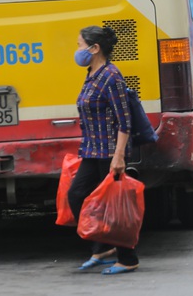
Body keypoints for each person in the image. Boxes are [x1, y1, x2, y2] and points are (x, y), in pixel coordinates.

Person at [67, 26, 139, 275]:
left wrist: (119, 156)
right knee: (77, 195)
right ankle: (102, 247)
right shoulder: (92, 74)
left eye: (79, 45)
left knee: (113, 207)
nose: (77, 50)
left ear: (94, 48)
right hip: (91, 150)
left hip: (109, 152)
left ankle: (128, 258)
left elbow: (124, 120)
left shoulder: (112, 76)